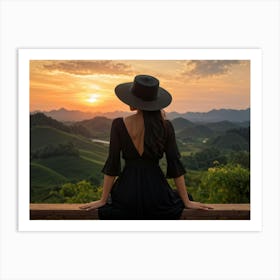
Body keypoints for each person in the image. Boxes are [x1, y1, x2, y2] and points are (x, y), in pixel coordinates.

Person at [80, 75, 212, 219]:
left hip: (126, 194)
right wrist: (186, 201)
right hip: (157, 194)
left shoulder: (118, 124)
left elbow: (113, 163)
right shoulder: (165, 126)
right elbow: (174, 165)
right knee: (177, 201)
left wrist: (103, 200)